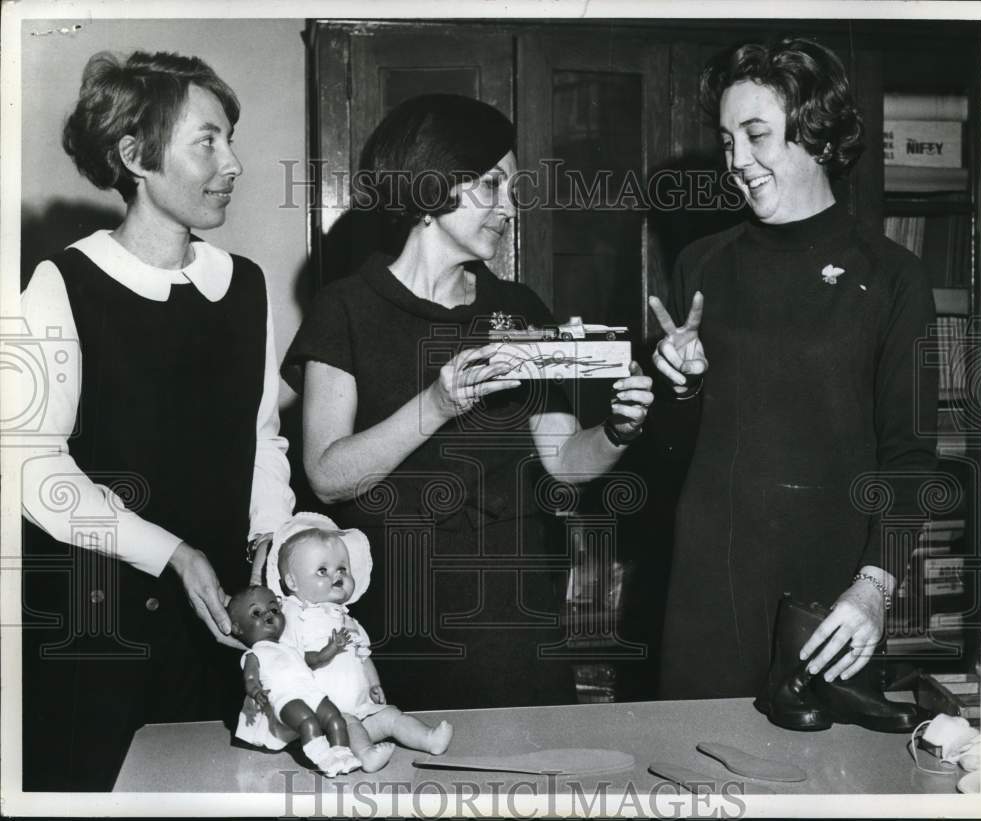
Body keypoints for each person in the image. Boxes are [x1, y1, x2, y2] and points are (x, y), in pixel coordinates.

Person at [282, 93, 702, 710]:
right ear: (430, 187)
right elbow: (327, 476)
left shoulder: (519, 309)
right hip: (396, 610)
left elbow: (563, 461)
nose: (509, 206)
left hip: (516, 609)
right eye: (490, 185)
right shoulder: (345, 308)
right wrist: (436, 403)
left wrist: (617, 430)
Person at [18, 50, 295, 790]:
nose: (232, 161)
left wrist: (272, 534)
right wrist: (170, 552)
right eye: (207, 141)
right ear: (134, 156)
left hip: (220, 628)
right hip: (97, 634)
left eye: (230, 137)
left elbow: (263, 437)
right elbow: (32, 470)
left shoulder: (245, 286)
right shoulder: (61, 284)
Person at [655, 37, 937, 701]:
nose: (737, 162)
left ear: (815, 134)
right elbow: (668, 453)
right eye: (726, 141)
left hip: (831, 606)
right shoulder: (700, 265)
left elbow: (910, 456)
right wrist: (679, 385)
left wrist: (875, 586)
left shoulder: (894, 277)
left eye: (756, 135)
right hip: (709, 598)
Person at [261, 512, 453, 772]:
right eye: (322, 570)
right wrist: (328, 651)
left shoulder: (348, 619)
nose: (336, 576)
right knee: (348, 722)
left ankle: (429, 739)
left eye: (342, 568)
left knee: (389, 716)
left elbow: (363, 656)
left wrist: (374, 683)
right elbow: (292, 662)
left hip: (361, 707)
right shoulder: (294, 616)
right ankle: (364, 755)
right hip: (326, 719)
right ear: (292, 581)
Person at [227, 586, 361, 776]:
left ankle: (343, 754)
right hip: (285, 697)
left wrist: (333, 647)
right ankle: (324, 758)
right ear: (237, 628)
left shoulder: (290, 647)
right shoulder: (254, 654)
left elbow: (317, 658)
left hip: (310, 692)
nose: (268, 615)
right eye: (256, 613)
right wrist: (256, 692)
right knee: (308, 722)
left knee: (335, 717)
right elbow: (250, 678)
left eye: (274, 609)